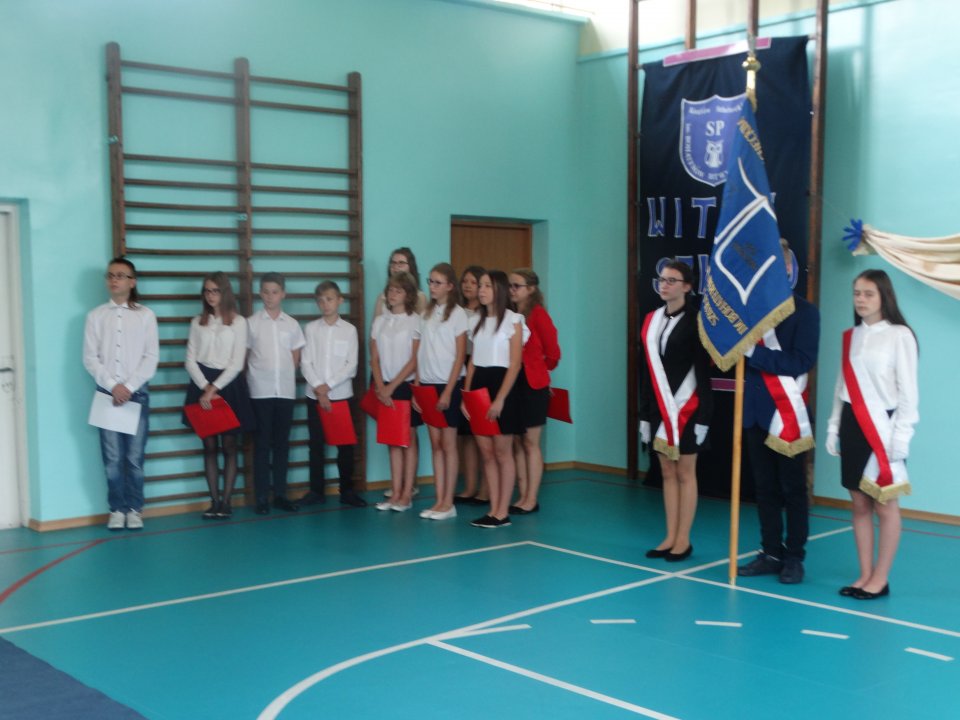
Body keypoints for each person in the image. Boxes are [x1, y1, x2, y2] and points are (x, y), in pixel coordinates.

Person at [826, 269, 918, 600]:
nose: (861, 299)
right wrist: (834, 425)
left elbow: (909, 392)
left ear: (884, 297)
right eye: (857, 293)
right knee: (859, 502)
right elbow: (841, 385)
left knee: (885, 504)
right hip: (853, 423)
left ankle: (881, 577)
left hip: (883, 427)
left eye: (868, 293)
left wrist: (902, 437)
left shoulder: (900, 335)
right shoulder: (851, 336)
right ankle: (864, 573)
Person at [738, 239, 819, 584]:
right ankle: (770, 552)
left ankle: (794, 556)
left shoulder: (805, 312)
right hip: (755, 412)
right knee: (764, 488)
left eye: (776, 266)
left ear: (788, 269)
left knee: (793, 490)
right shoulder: (750, 313)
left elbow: (801, 361)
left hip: (788, 415)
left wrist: (754, 354)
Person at [638, 260, 711, 561]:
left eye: (672, 280)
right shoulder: (652, 320)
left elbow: (703, 372)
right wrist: (644, 415)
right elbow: (647, 372)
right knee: (666, 471)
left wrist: (704, 417)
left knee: (684, 472)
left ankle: (684, 539)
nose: (664, 285)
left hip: (688, 407)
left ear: (687, 286)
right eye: (662, 279)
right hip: (659, 408)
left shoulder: (698, 321)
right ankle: (670, 536)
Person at [83, 257, 159, 530]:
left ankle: (135, 508)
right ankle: (116, 509)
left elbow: (151, 357)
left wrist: (128, 386)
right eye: (110, 275)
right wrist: (112, 384)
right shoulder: (95, 316)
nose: (114, 280)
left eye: (120, 275)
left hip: (136, 394)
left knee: (134, 458)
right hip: (107, 394)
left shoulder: (145, 316)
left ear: (132, 282)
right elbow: (90, 358)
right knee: (112, 459)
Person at [183, 271, 255, 519]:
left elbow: (237, 363)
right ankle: (214, 501)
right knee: (209, 445)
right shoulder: (197, 322)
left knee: (230, 445)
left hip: (229, 385)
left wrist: (215, 389)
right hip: (201, 384)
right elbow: (190, 360)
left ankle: (226, 502)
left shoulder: (238, 322)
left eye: (215, 290)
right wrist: (205, 387)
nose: (210, 295)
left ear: (225, 292)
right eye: (207, 290)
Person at [462, 270, 528, 528]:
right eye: (481, 285)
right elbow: (473, 362)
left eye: (487, 286)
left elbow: (515, 364)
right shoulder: (476, 321)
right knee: (487, 452)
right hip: (479, 386)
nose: (481, 290)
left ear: (498, 290)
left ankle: (503, 511)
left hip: (503, 387)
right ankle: (492, 509)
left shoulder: (514, 320)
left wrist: (500, 400)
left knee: (502, 452)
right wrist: (467, 395)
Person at [300, 281, 366, 507]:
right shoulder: (311, 329)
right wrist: (319, 388)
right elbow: (305, 362)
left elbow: (351, 366)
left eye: (329, 299)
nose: (325, 304)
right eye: (320, 300)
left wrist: (327, 386)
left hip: (340, 395)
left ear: (340, 301)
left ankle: (346, 490)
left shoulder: (349, 330)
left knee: (345, 446)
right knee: (316, 445)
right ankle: (316, 491)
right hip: (314, 396)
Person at [246, 273, 306, 515]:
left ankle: (280, 494)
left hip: (285, 392)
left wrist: (283, 375)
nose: (270, 296)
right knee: (261, 445)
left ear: (283, 294)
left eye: (275, 292)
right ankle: (261, 496)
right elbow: (246, 356)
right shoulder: (251, 323)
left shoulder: (291, 324)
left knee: (282, 444)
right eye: (266, 292)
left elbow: (295, 356)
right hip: (260, 391)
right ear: (260, 293)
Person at [414, 263, 468, 520]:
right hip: (427, 383)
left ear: (450, 286)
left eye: (437, 282)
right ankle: (438, 500)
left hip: (448, 384)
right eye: (430, 281)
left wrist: (448, 391)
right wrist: (417, 386)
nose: (432, 286)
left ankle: (449, 502)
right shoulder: (425, 313)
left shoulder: (458, 314)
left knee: (448, 444)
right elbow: (419, 352)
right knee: (435, 444)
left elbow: (460, 356)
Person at [508, 268, 560, 516]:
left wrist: (539, 369)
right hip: (513, 382)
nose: (512, 290)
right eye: (510, 285)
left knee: (530, 442)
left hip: (533, 384)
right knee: (517, 441)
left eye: (517, 286)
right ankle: (522, 494)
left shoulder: (538, 315)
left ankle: (531, 497)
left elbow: (553, 353)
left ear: (530, 289)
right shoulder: (510, 315)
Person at [371, 271, 422, 512]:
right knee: (393, 441)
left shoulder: (415, 321)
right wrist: (381, 386)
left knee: (407, 440)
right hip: (384, 385)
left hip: (405, 385)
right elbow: (374, 357)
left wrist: (392, 387)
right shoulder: (380, 321)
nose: (392, 294)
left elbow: (415, 359)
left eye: (398, 290)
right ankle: (395, 492)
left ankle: (406, 493)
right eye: (390, 289)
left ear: (408, 294)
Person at [454, 265, 487, 505]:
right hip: (460, 368)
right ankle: (470, 486)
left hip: (479, 368)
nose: (467, 285)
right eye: (464, 281)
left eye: (473, 282)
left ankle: (486, 489)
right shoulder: (457, 311)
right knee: (465, 435)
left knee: (482, 434)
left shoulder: (487, 314)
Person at [372, 247, 428, 317]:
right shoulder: (382, 298)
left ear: (411, 267)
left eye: (401, 263)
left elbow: (422, 322)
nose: (396, 267)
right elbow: (376, 322)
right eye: (393, 263)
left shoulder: (419, 297)